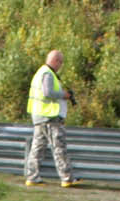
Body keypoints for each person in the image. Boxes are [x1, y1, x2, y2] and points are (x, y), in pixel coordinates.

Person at [24, 49, 79, 188]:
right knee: (59, 147)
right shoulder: (48, 74)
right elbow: (48, 93)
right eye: (60, 62)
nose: (61, 65)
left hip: (39, 116)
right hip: (50, 116)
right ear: (56, 61)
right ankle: (67, 178)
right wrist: (64, 95)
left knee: (37, 148)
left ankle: (32, 177)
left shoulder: (40, 72)